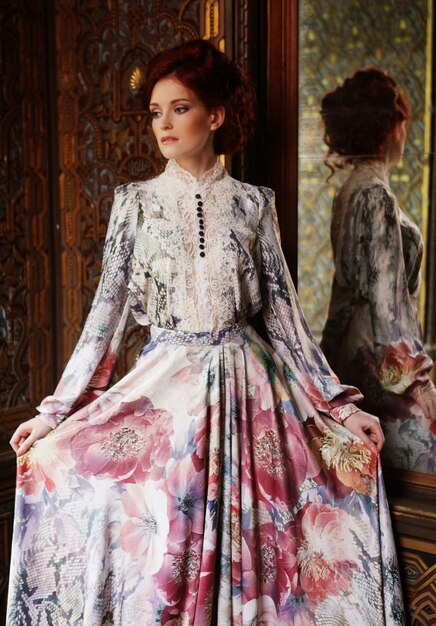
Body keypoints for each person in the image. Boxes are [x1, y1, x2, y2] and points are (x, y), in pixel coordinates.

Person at [7, 42, 403, 625]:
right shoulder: (134, 205)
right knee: (157, 544)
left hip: (252, 394)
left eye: (180, 108)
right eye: (155, 112)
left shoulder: (252, 206)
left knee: (266, 542)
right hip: (167, 395)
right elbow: (105, 318)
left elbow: (285, 321)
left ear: (215, 116)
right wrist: (55, 413)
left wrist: (342, 410)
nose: (163, 124)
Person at [320, 67, 436, 474]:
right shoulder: (374, 194)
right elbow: (389, 311)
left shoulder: (351, 188)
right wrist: (421, 386)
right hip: (381, 369)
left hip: (356, 357)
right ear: (392, 127)